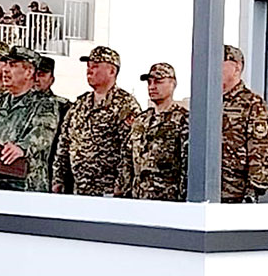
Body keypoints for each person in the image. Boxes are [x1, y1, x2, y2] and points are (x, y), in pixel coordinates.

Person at [53, 46, 141, 197]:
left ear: (112, 71)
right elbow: (64, 142)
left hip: (108, 191)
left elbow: (130, 150)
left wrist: (121, 185)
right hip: (79, 189)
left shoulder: (125, 105)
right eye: (88, 66)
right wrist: (58, 178)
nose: (89, 70)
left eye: (95, 66)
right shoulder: (80, 104)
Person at [0, 46, 59, 192]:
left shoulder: (44, 104)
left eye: (12, 65)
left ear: (29, 72)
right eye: (6, 64)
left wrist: (22, 148)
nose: (5, 69)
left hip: (26, 187)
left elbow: (43, 135)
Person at [120, 63, 188, 201]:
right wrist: (124, 192)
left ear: (173, 84)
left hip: (167, 200)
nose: (152, 86)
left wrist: (182, 200)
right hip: (138, 198)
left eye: (158, 82)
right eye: (149, 82)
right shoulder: (141, 121)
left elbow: (186, 165)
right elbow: (127, 159)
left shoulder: (183, 120)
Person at [222, 45, 268, 203]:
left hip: (235, 193)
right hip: (203, 190)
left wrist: (253, 190)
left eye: (219, 63)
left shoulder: (252, 103)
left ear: (236, 68)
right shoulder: (207, 102)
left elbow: (262, 150)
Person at [35, 56, 71, 186]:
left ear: (52, 79)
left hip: (51, 171)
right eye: (34, 74)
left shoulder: (63, 107)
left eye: (42, 75)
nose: (37, 79)